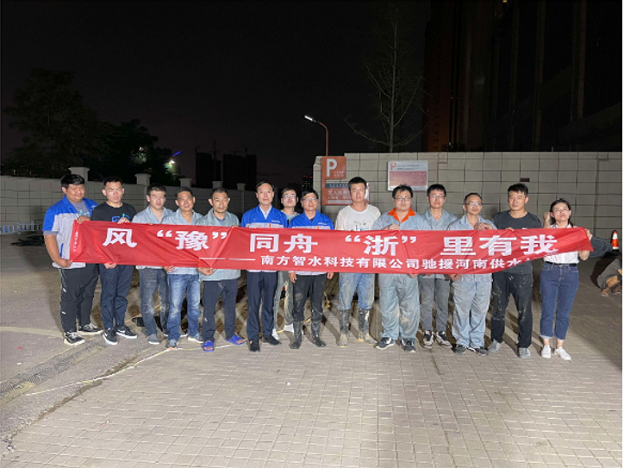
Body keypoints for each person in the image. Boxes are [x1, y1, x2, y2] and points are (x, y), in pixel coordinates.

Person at [43, 174, 101, 346]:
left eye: (81, 188)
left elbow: (102, 227)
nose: (78, 192)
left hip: (91, 258)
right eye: (74, 188)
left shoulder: (92, 205)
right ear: (64, 189)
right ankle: (70, 330)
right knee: (70, 296)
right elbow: (49, 237)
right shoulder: (55, 210)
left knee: (88, 293)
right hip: (71, 260)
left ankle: (85, 324)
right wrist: (57, 258)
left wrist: (91, 221)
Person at [488, 183, 542, 359]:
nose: (515, 201)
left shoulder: (533, 222)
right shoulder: (499, 218)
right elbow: (489, 242)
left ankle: (524, 344)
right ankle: (496, 339)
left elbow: (538, 246)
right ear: (507, 199)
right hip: (500, 270)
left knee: (524, 310)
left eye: (519, 197)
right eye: (511, 197)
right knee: (498, 307)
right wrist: (501, 235)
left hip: (522, 272)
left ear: (526, 199)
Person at [372, 185, 426, 352]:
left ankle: (408, 337)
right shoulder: (384, 219)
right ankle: (389, 335)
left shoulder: (419, 221)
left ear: (411, 200)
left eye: (407, 198)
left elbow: (427, 245)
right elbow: (371, 239)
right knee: (387, 303)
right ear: (394, 200)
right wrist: (386, 230)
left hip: (409, 270)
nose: (403, 201)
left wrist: (419, 266)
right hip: (388, 269)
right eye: (400, 198)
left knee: (410, 305)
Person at [539, 199, 592, 361]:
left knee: (564, 311)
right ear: (552, 214)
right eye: (557, 210)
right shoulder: (548, 229)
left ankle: (560, 346)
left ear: (570, 212)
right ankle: (546, 344)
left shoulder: (578, 232)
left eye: (564, 209)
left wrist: (587, 240)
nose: (561, 212)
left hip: (570, 272)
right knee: (548, 309)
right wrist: (546, 221)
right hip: (550, 270)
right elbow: (544, 242)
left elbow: (584, 256)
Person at [241, 181, 288, 352]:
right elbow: (242, 240)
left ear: (273, 194)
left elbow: (285, 241)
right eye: (262, 192)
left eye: (268, 191)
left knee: (269, 302)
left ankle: (268, 333)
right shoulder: (248, 216)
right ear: (257, 195)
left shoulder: (280, 217)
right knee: (253, 303)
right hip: (253, 267)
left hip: (271, 267)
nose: (265, 195)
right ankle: (253, 337)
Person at [196, 188, 245, 352]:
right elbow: (197, 248)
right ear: (211, 202)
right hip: (212, 273)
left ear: (228, 201)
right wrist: (200, 267)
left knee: (230, 306)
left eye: (224, 199)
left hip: (230, 272)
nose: (221, 203)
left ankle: (230, 333)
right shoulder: (203, 222)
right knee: (209, 308)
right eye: (217, 200)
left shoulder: (233, 219)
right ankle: (208, 337)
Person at [91, 176, 138, 346]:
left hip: (126, 259)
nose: (115, 193)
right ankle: (108, 327)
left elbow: (138, 234)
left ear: (123, 191)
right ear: (105, 192)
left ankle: (120, 324)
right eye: (111, 190)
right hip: (109, 260)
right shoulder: (99, 211)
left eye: (118, 189)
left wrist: (130, 224)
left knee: (121, 294)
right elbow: (94, 238)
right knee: (108, 294)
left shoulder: (130, 209)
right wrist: (102, 258)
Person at [335, 176, 381, 347]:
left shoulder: (374, 212)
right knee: (345, 297)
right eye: (354, 190)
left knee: (367, 298)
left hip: (368, 263)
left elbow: (380, 237)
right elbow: (338, 238)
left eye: (361, 189)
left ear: (365, 191)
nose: (358, 193)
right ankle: (343, 333)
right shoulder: (344, 213)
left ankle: (364, 332)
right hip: (349, 263)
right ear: (349, 192)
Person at [448, 193, 496, 356]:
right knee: (461, 310)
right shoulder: (455, 227)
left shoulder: (489, 225)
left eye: (478, 203)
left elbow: (498, 246)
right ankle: (461, 340)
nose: (475, 206)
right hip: (463, 277)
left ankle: (477, 342)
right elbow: (448, 251)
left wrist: (490, 232)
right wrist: (451, 272)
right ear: (464, 206)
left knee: (480, 311)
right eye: (471, 203)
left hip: (483, 276)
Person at [287, 189, 334, 349]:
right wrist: (291, 268)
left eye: (313, 199)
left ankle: (316, 335)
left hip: (320, 269)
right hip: (301, 270)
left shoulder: (326, 221)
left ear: (317, 201)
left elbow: (331, 245)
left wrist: (330, 266)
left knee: (317, 303)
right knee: (298, 303)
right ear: (301, 203)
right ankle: (297, 337)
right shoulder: (295, 222)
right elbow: (289, 247)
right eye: (307, 199)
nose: (311, 202)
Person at [132, 184, 173, 345]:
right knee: (148, 300)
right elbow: (134, 242)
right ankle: (151, 331)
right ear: (148, 198)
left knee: (166, 300)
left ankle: (167, 327)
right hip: (148, 266)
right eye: (155, 196)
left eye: (161, 196)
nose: (158, 200)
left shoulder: (172, 216)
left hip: (167, 266)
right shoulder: (139, 218)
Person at [162, 187, 203, 349]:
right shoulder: (169, 220)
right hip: (176, 271)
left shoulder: (201, 220)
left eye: (188, 198)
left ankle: (194, 332)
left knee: (194, 305)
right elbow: (162, 244)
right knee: (174, 306)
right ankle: (173, 335)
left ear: (193, 200)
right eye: (182, 199)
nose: (185, 202)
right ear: (177, 202)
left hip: (196, 271)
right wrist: (165, 261)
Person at [418, 184, 457, 350]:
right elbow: (416, 245)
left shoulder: (453, 220)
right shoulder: (419, 220)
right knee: (426, 301)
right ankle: (427, 331)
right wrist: (422, 264)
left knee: (442, 301)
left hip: (444, 269)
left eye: (440, 196)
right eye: (433, 196)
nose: (437, 199)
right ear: (428, 198)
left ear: (444, 199)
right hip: (426, 268)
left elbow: (456, 245)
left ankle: (441, 332)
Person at [272, 187, 299, 337]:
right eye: (286, 196)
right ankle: (271, 326)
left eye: (292, 196)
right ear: (281, 200)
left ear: (297, 200)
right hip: (278, 260)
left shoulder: (301, 218)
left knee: (292, 293)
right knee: (275, 294)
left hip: (295, 261)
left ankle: (289, 323)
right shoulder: (275, 217)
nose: (289, 198)